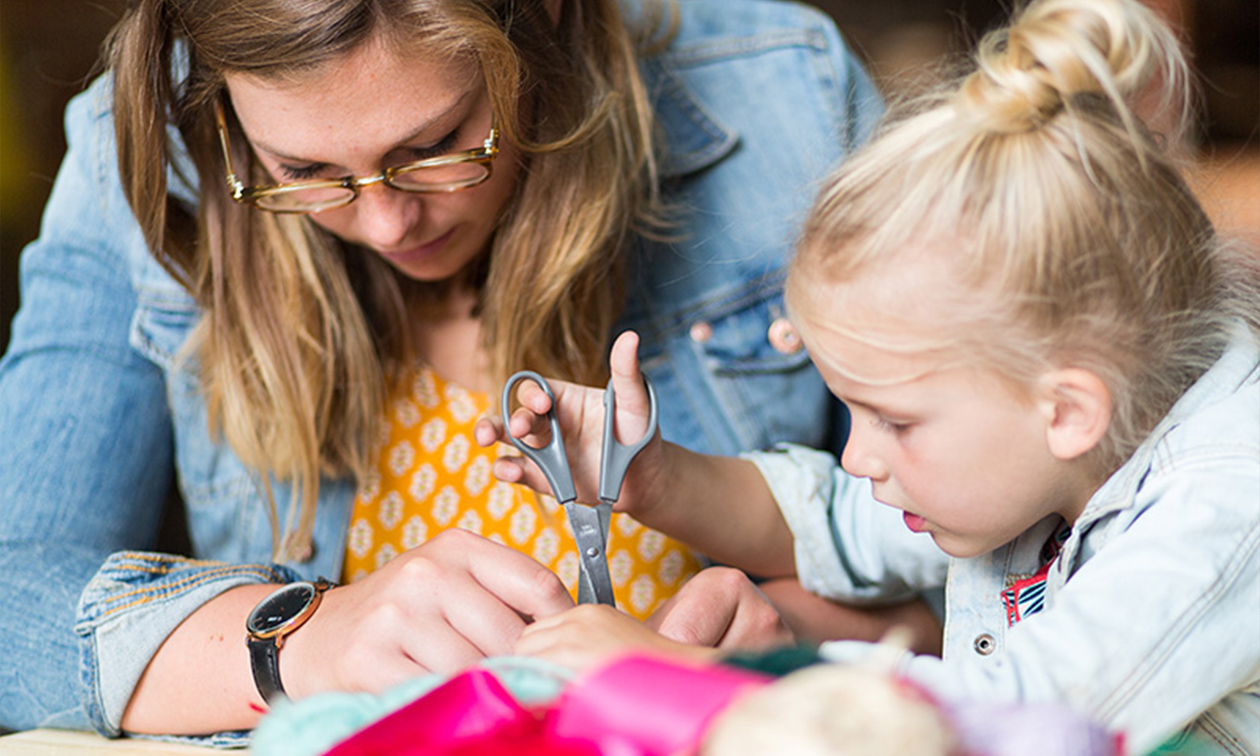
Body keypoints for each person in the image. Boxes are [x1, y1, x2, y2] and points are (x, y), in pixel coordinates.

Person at [0, 0, 949, 742]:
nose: (384, 225)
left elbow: (1031, 564)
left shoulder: (789, 95)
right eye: (302, 169)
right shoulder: (145, 157)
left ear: (546, 26)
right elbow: (12, 602)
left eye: (437, 146)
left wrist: (795, 638)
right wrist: (296, 642)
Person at [481, 0, 1260, 752]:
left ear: (1068, 409)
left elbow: (1021, 720)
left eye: (894, 420)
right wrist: (652, 475)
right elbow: (833, 526)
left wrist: (681, 675)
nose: (858, 455)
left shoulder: (1227, 498)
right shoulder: (1023, 450)